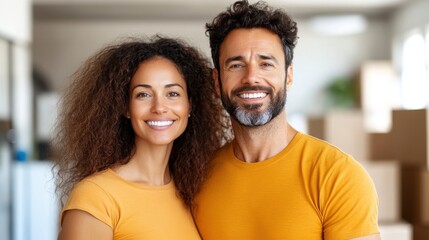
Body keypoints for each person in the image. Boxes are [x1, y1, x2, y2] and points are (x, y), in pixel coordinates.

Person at [193, 1, 381, 239]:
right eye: (236, 64)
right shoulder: (199, 178)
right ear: (217, 82)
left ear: (288, 76)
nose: (251, 77)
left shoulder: (337, 175)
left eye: (266, 63)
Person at [52, 36, 228, 240]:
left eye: (172, 94)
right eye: (143, 94)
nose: (159, 107)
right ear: (125, 107)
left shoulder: (191, 194)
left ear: (189, 105)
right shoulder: (97, 197)